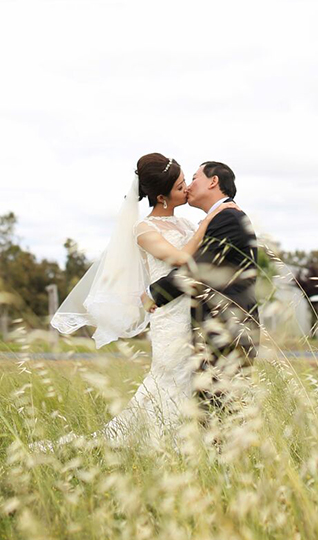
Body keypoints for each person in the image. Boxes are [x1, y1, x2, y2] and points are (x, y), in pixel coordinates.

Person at [43, 153, 234, 448]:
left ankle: (194, 444)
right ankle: (161, 444)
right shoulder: (144, 230)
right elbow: (183, 259)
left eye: (186, 181)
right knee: (171, 380)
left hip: (196, 314)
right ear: (162, 196)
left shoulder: (185, 222)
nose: (187, 189)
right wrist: (209, 220)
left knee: (196, 380)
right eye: (181, 185)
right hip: (170, 318)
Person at [150, 161, 260, 410]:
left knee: (221, 412)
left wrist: (152, 294)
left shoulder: (228, 217)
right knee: (214, 411)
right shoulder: (217, 218)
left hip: (227, 331)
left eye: (194, 177)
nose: (188, 185)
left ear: (214, 181)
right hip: (217, 330)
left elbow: (198, 270)